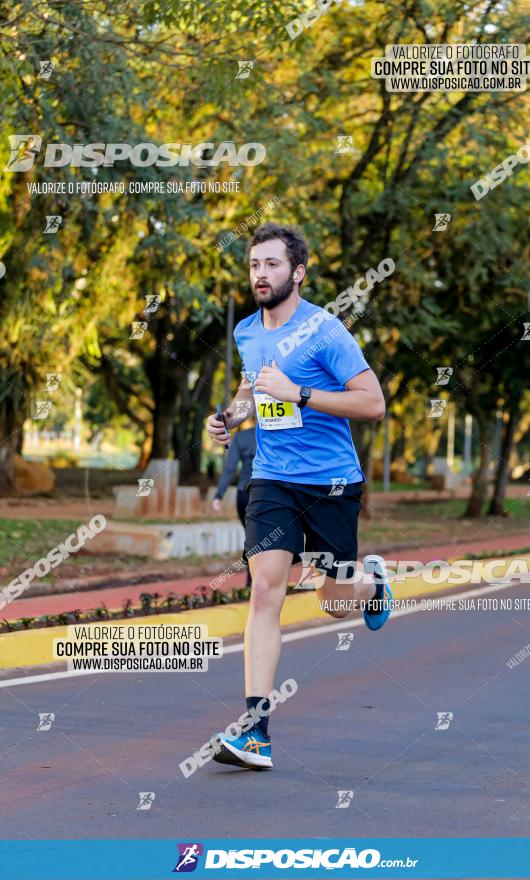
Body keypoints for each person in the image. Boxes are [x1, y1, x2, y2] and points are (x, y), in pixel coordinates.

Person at [205, 222, 392, 770]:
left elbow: (373, 403)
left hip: (332, 480)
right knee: (265, 590)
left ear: (298, 272)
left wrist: (302, 394)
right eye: (254, 265)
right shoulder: (246, 331)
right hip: (272, 479)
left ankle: (371, 581)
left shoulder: (326, 331)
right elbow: (249, 390)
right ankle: (255, 732)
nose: (260, 275)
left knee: (335, 604)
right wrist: (230, 418)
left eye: (272, 265)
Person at [212, 421, 256, 587]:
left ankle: (250, 582)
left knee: (251, 537)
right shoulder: (275, 435)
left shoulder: (241, 437)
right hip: (268, 493)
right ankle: (259, 582)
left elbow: (230, 468)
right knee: (268, 540)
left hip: (243, 495)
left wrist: (218, 496)